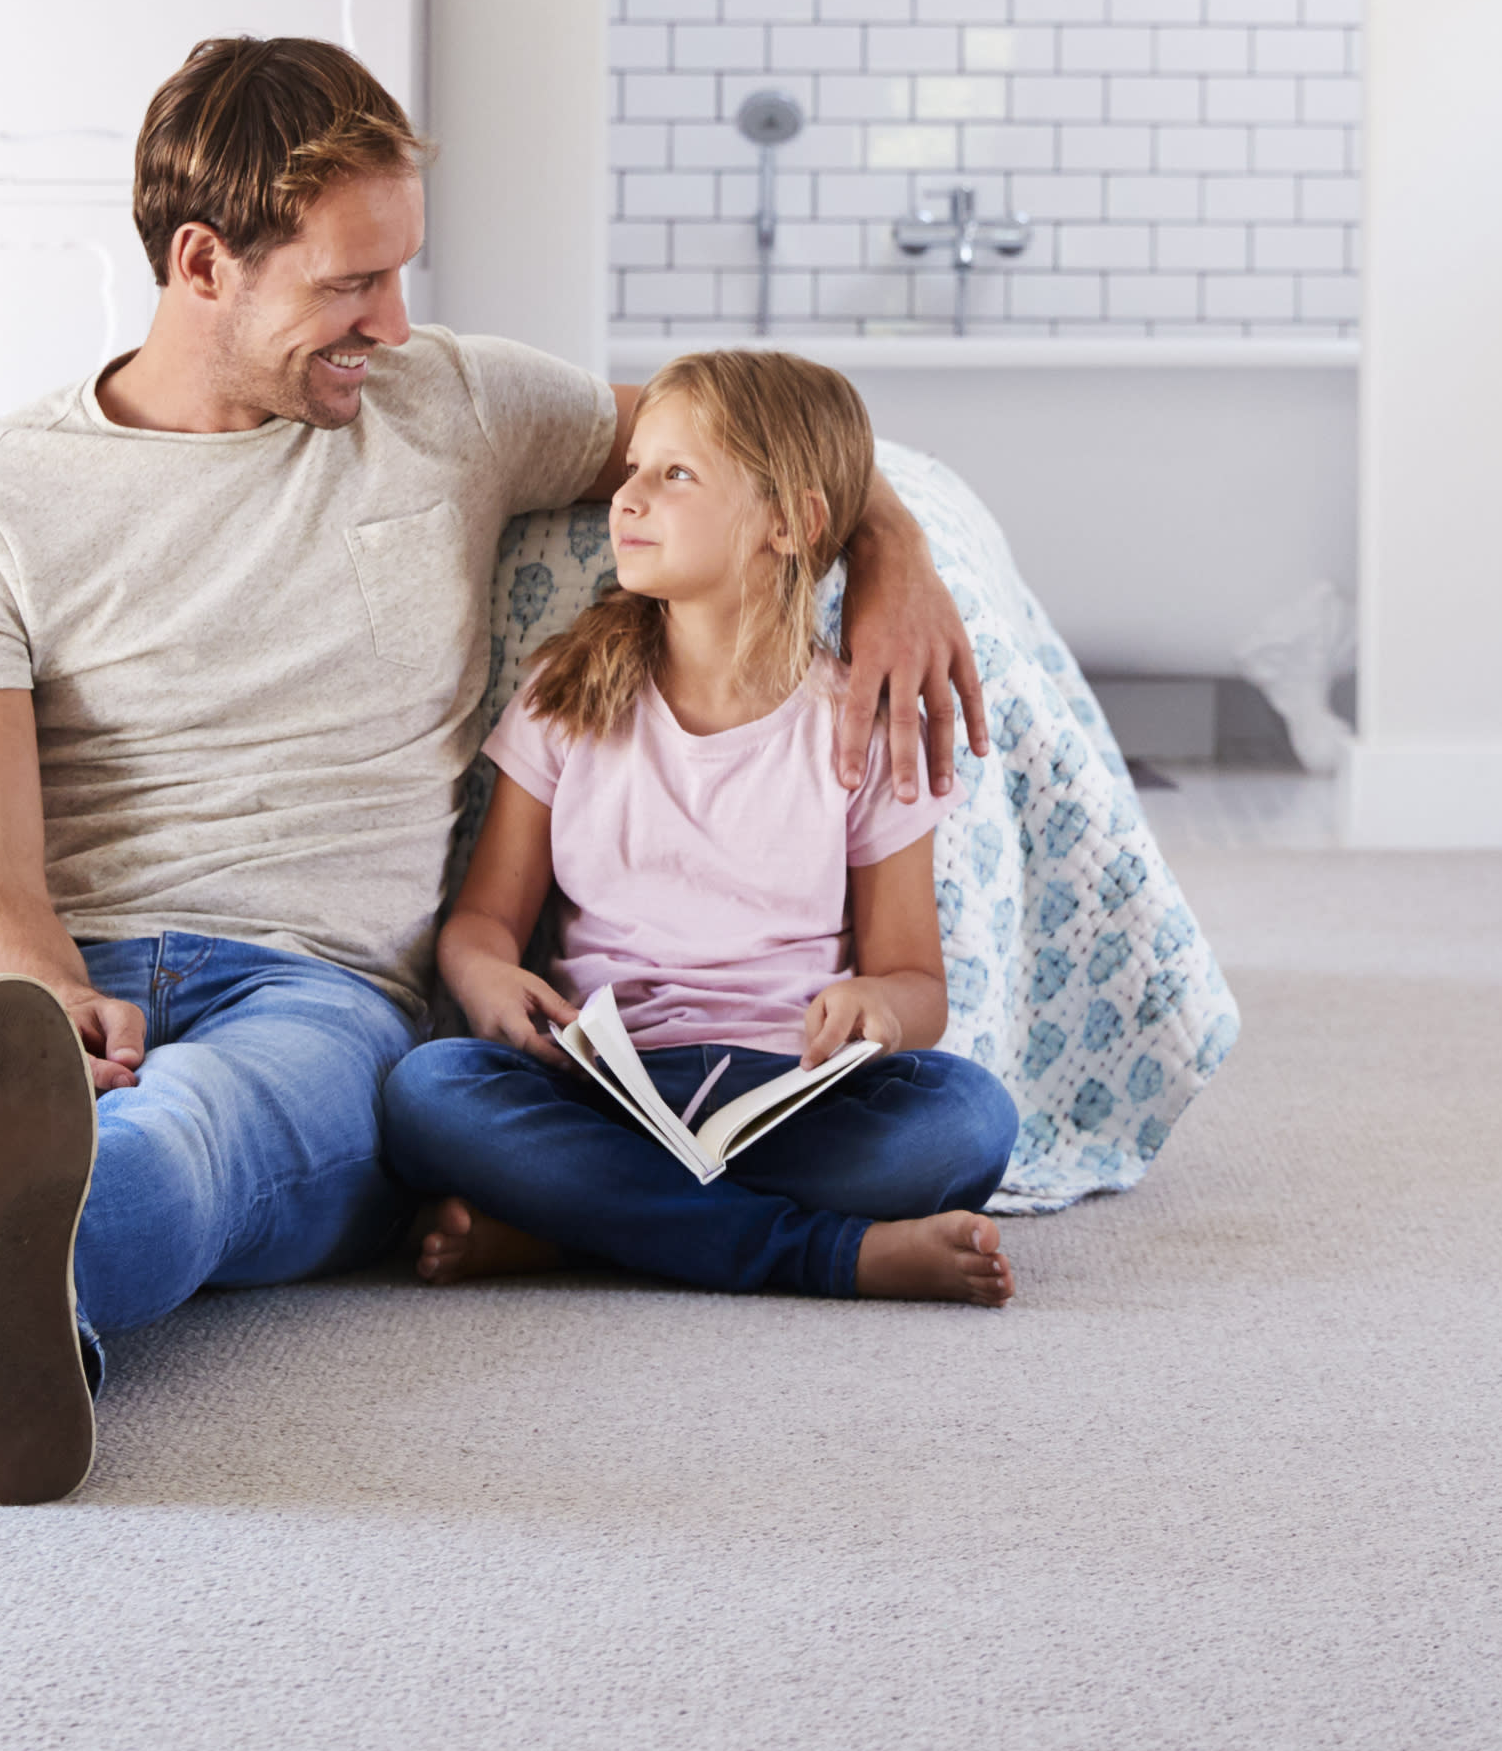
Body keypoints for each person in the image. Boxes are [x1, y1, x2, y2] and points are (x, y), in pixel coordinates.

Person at [0, 37, 982, 1506]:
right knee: (18, 1079)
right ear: (203, 263)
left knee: (184, 1134)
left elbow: (753, 437)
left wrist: (893, 549)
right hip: (64, 974)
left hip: (310, 987)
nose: (391, 323)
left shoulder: (449, 404)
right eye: (348, 285)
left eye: (402, 277)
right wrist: (51, 1006)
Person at [380, 352, 1023, 1307]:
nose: (627, 497)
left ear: (790, 523)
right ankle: (829, 1256)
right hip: (608, 1088)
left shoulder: (854, 726)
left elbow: (917, 983)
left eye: (674, 475)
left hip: (786, 1098)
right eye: (634, 467)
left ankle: (576, 1231)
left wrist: (879, 1012)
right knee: (427, 1093)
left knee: (965, 1122)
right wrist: (484, 980)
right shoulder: (568, 699)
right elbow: (484, 923)